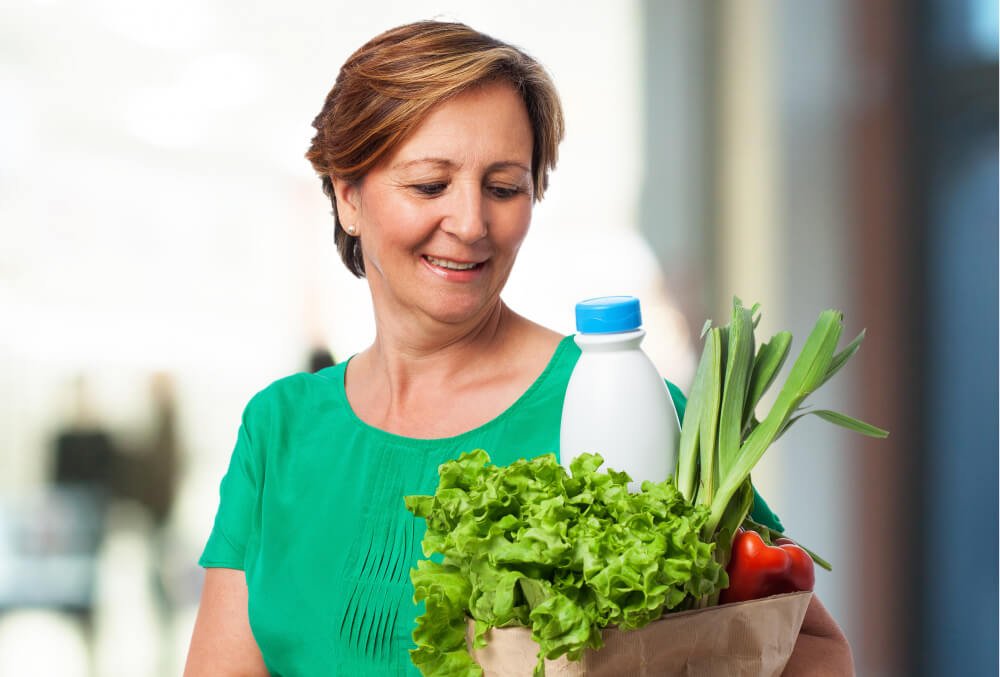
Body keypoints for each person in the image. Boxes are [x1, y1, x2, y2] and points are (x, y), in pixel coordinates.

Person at [183, 20, 853, 676]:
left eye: (505, 187)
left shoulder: (619, 405)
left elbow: (813, 652)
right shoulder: (279, 430)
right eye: (429, 184)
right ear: (347, 194)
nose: (471, 223)